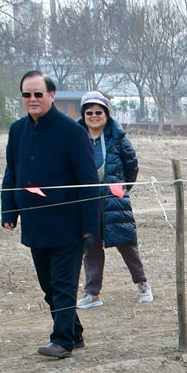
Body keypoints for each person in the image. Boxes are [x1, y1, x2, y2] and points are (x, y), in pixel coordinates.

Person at [2, 70, 100, 358]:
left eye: (38, 94)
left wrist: (88, 224)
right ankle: (74, 332)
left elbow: (88, 180)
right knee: (48, 287)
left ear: (51, 95)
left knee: (63, 285)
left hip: (68, 224)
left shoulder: (72, 131)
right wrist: (10, 209)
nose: (32, 99)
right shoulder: (17, 130)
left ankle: (62, 341)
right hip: (35, 222)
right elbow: (12, 171)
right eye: (26, 94)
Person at [76, 92, 151, 309]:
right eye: (89, 112)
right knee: (91, 247)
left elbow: (131, 166)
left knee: (127, 244)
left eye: (99, 112)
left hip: (114, 200)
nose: (94, 116)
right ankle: (92, 294)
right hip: (88, 202)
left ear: (106, 114)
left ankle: (143, 284)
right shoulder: (76, 137)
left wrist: (120, 188)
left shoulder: (119, 138)